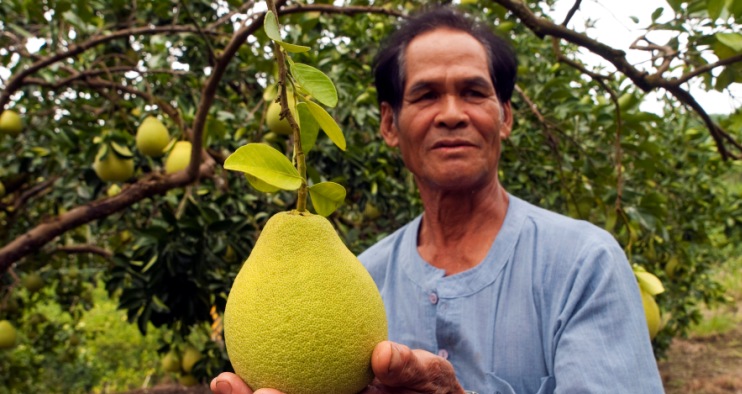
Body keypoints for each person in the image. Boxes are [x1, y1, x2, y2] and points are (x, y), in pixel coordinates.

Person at [211, 6, 665, 394]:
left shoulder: (584, 263)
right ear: (389, 124)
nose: (451, 115)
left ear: (505, 117)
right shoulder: (365, 276)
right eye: (426, 95)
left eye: (473, 92)